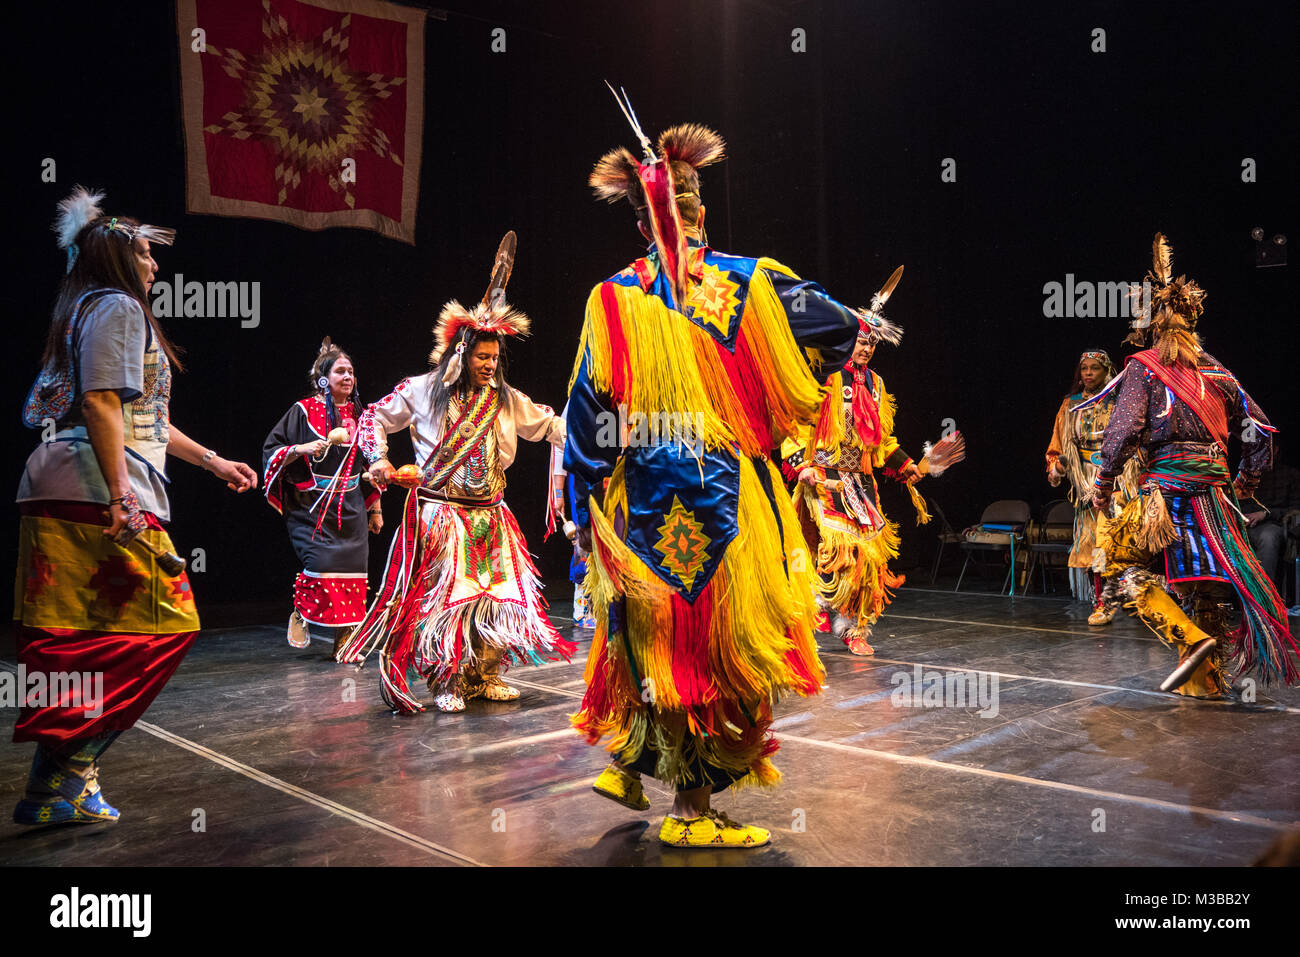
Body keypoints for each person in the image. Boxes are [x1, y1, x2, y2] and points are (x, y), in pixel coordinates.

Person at [565, 110, 860, 848]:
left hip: (641, 504)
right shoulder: (749, 284)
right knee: (715, 655)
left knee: (661, 651)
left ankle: (643, 770)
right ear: (701, 207)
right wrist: (774, 387)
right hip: (730, 495)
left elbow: (588, 418)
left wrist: (587, 505)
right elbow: (841, 329)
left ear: (642, 224)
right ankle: (691, 814)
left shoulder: (612, 300)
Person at [13, 187, 257, 825]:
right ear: (121, 260)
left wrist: (212, 461)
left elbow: (142, 417)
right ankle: (70, 770)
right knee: (167, 625)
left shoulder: (89, 308)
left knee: (87, 639)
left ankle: (52, 788)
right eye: (147, 255)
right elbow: (100, 404)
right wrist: (123, 496)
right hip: (92, 491)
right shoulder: (118, 307)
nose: (156, 266)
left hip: (66, 486)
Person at [339, 234, 574, 713]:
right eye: (481, 357)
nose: (490, 365)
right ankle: (444, 679)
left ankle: (483, 676)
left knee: (493, 598)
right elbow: (373, 418)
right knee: (446, 602)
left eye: (495, 358)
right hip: (441, 515)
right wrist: (379, 461)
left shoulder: (506, 397)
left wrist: (596, 433)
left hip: (491, 515)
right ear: (461, 354)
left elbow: (549, 427)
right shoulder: (423, 390)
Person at [1086, 234, 1298, 697]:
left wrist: (1102, 482)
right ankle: (1204, 687)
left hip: (1167, 491)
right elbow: (1261, 429)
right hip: (1217, 496)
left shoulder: (1144, 366)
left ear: (1151, 327)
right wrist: (1244, 483)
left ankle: (1191, 638)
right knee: (1206, 586)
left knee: (1117, 563)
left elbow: (1122, 431)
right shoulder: (1218, 371)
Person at [783, 267, 928, 656]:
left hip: (860, 482)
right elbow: (795, 422)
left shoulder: (876, 386)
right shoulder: (823, 376)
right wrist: (803, 466)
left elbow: (879, 442)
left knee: (866, 558)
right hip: (823, 476)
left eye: (871, 344)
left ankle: (851, 626)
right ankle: (806, 616)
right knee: (832, 548)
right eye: (859, 341)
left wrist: (905, 464)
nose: (865, 349)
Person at [263, 339, 381, 656]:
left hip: (352, 505)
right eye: (340, 371)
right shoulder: (303, 411)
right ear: (324, 379)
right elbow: (271, 450)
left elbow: (371, 462)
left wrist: (376, 509)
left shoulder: (364, 416)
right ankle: (302, 610)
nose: (348, 377)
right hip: (312, 505)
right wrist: (301, 449)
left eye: (351, 372)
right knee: (320, 564)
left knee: (355, 571)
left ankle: (346, 640)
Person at [1044, 350, 1141, 623]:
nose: (1088, 373)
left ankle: (1132, 596)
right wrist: (1057, 468)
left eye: (1094, 368)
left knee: (1120, 541)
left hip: (1120, 478)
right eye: (1084, 368)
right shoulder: (1070, 404)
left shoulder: (1121, 400)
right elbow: (1058, 446)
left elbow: (1136, 437)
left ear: (1106, 370)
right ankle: (1102, 603)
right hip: (1086, 483)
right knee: (1093, 546)